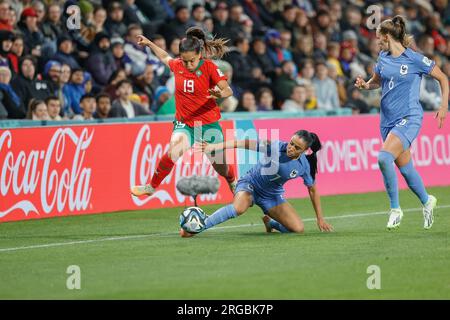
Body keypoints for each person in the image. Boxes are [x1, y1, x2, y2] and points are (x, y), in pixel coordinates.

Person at [355, 16, 448, 230]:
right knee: (405, 169)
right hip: (386, 121)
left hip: (409, 117)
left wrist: (443, 107)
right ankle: (427, 201)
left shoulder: (415, 59)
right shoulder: (383, 57)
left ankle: (395, 209)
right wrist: (364, 85)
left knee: (383, 158)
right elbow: (376, 82)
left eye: (379, 38)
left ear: (387, 37)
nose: (377, 42)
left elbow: (443, 78)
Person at [131, 26, 237, 197]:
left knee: (221, 166)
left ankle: (232, 180)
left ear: (199, 55)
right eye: (184, 60)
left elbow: (228, 91)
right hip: (185, 123)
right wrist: (150, 44)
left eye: (191, 61)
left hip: (208, 124)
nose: (188, 65)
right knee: (173, 151)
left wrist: (219, 93)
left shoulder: (209, 67)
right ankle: (151, 187)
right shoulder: (178, 65)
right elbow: (165, 57)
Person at [180, 130, 334, 237]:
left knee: (298, 229)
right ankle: (198, 226)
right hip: (251, 184)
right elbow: (242, 143)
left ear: (305, 150)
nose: (291, 148)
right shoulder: (274, 146)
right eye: (291, 143)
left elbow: (313, 190)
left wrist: (320, 218)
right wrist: (213, 147)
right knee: (238, 209)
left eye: (297, 147)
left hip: (272, 196)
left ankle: (271, 223)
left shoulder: (304, 166)